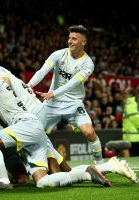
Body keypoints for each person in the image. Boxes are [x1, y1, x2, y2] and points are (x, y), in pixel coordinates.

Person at [0, 61, 112, 190]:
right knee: (43, 181)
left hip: (26, 124)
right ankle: (88, 173)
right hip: (31, 127)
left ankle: (3, 181)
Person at [27, 25, 104, 164]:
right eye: (69, 38)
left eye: (74, 39)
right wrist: (29, 85)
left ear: (83, 42)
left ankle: (100, 165)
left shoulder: (88, 64)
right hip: (52, 104)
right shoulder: (58, 54)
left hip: (73, 103)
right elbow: (42, 71)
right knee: (31, 131)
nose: (70, 41)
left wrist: (53, 93)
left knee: (89, 133)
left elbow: (72, 84)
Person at [122, 88, 139, 156]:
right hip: (132, 136)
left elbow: (135, 119)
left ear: (130, 95)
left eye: (126, 93)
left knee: (134, 157)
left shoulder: (131, 105)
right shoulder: (131, 104)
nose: (124, 95)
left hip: (133, 137)